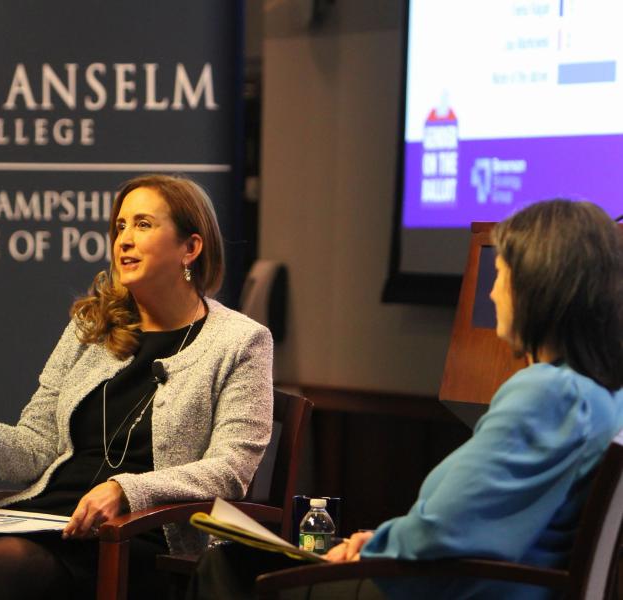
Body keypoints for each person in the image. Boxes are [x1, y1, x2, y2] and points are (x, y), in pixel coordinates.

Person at [0, 174, 274, 600]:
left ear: (190, 247)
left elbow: (230, 471)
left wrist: (126, 489)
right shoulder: (92, 327)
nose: (124, 240)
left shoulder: (239, 342)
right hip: (47, 516)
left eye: (144, 225)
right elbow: (34, 449)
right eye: (120, 227)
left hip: (138, 533)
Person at [188, 199, 623, 600]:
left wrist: (373, 545)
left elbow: (444, 531)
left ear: (538, 288)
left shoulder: (549, 394)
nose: (491, 293)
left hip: (450, 590)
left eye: (501, 275)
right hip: (479, 582)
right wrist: (380, 542)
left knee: (229, 563)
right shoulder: (603, 395)